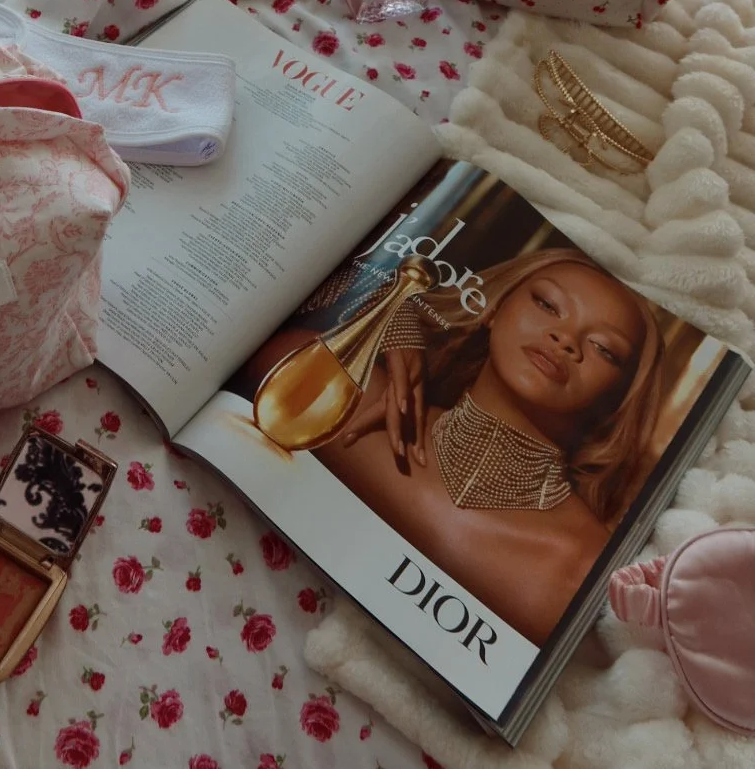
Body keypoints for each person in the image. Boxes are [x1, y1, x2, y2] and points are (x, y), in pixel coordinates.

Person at [242, 249, 665, 645]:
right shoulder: (342, 395)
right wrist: (391, 312)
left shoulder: (588, 568)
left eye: (604, 349)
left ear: (618, 398)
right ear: (493, 310)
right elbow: (262, 299)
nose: (566, 338)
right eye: (547, 304)